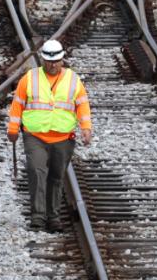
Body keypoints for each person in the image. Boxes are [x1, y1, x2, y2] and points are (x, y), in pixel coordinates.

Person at [7, 39, 93, 232]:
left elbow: (82, 104)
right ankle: (38, 217)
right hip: (35, 136)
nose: (53, 65)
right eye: (49, 61)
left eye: (56, 61)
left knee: (56, 177)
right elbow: (17, 104)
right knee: (37, 172)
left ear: (62, 59)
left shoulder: (73, 80)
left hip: (63, 137)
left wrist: (86, 128)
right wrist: (13, 129)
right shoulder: (30, 78)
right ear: (43, 60)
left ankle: (53, 217)